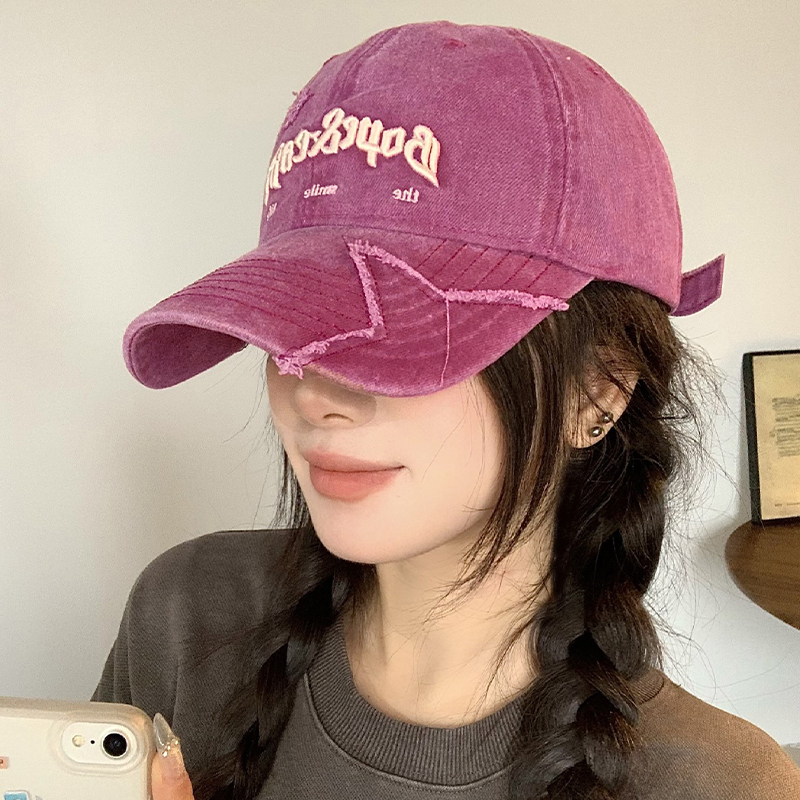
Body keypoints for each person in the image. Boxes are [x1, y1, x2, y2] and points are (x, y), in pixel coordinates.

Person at [91, 20, 800, 800]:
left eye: (407, 336)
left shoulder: (720, 783)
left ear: (599, 387)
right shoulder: (187, 613)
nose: (315, 394)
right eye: (294, 325)